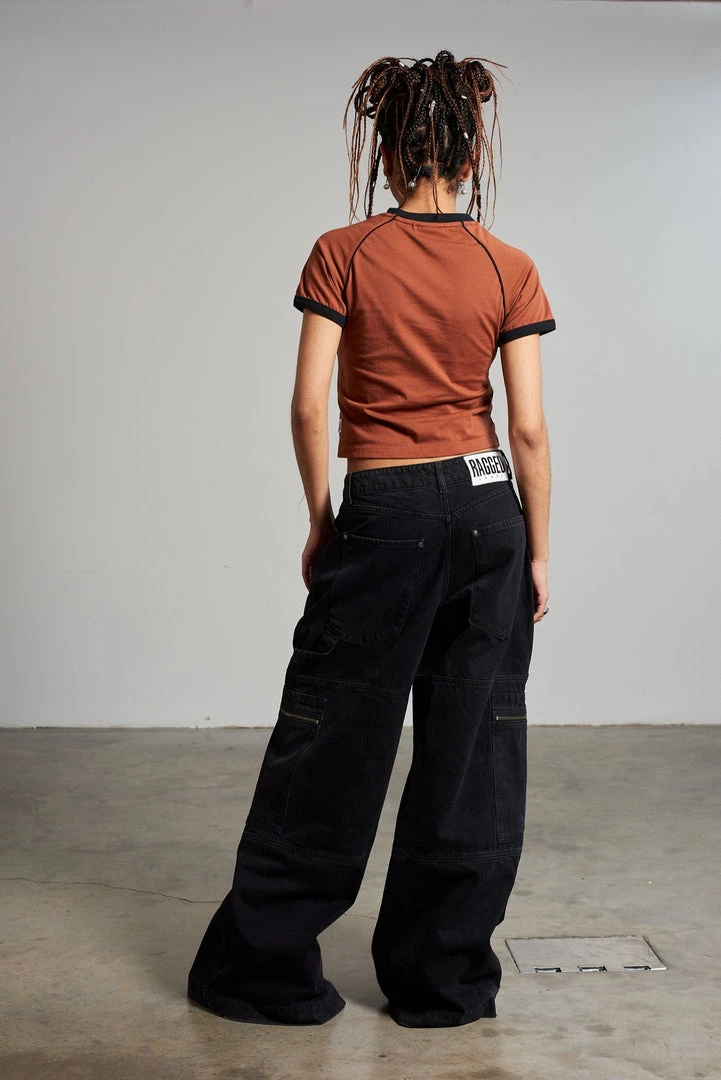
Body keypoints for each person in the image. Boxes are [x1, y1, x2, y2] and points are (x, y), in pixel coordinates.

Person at [187, 48, 555, 1030]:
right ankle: (444, 983)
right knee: (473, 746)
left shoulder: (341, 251)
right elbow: (525, 429)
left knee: (334, 735)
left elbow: (309, 405)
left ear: (387, 154)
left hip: (386, 506)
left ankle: (265, 974)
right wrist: (536, 550)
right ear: (469, 157)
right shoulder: (509, 265)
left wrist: (322, 519)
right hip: (490, 509)